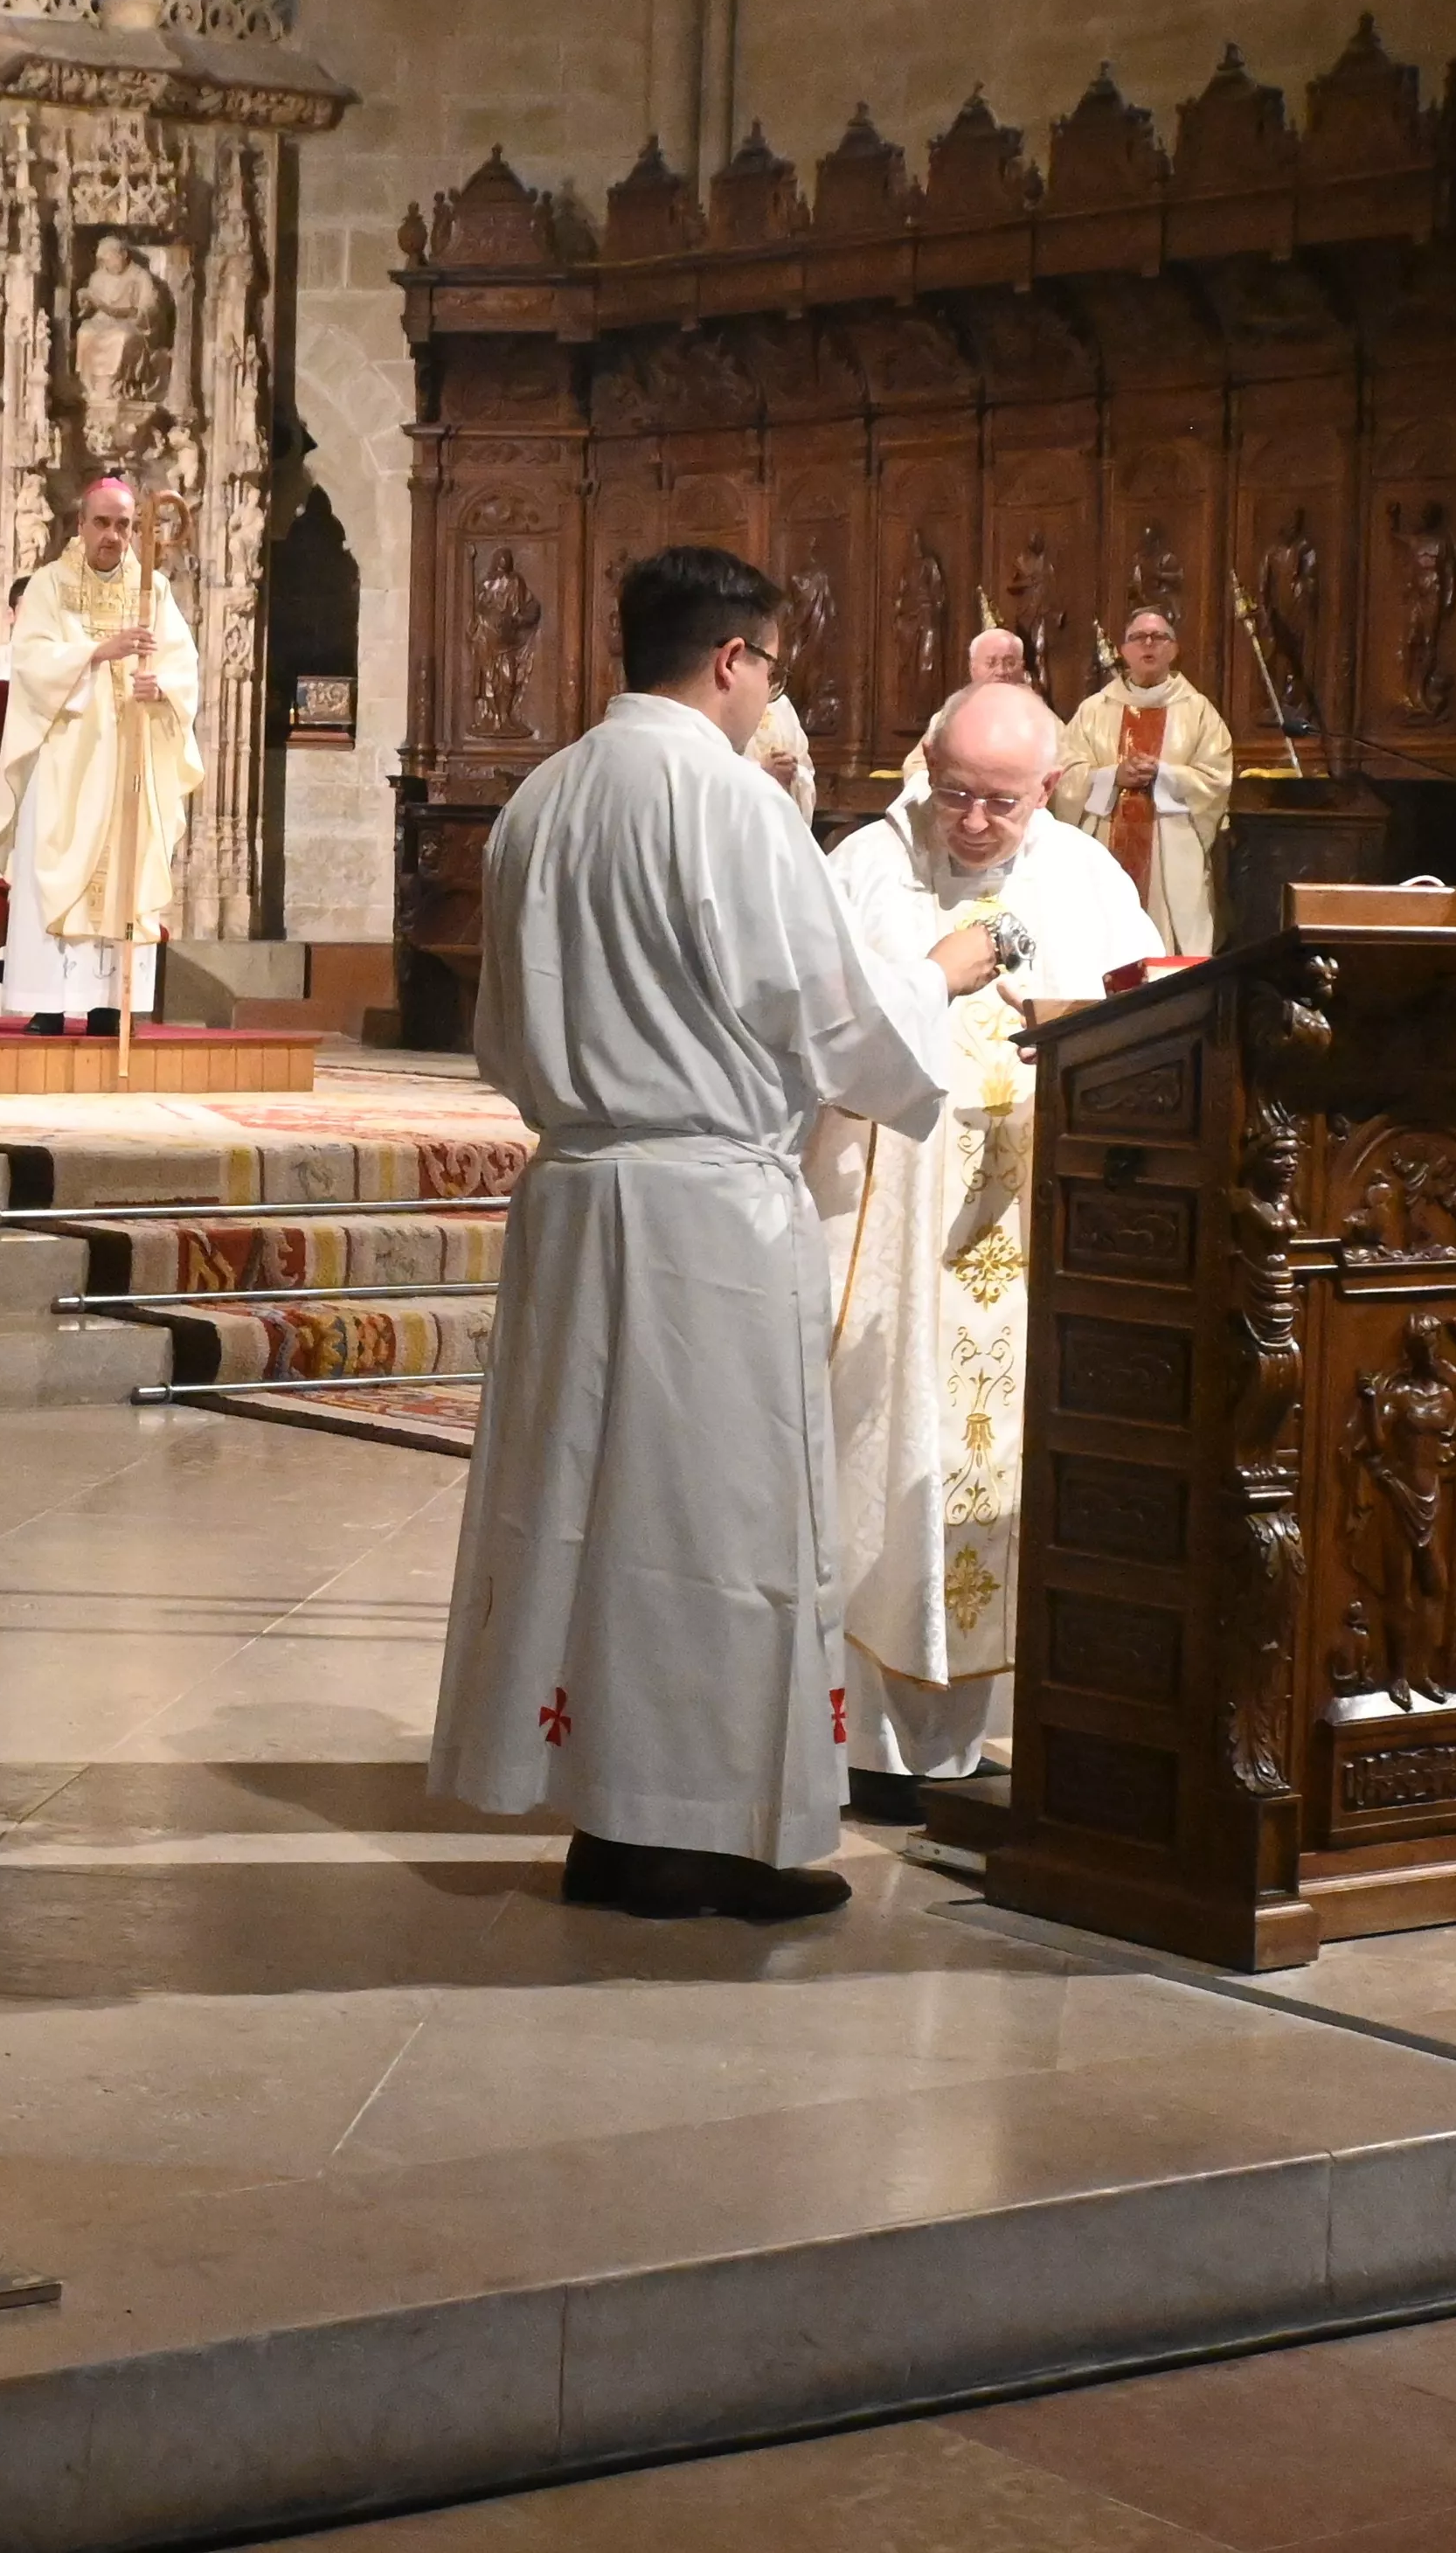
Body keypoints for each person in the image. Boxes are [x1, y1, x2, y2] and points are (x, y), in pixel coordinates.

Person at [430, 545, 984, 1923]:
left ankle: (615, 1819)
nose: (767, 699)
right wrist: (944, 975)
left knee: (593, 1518)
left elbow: (499, 1028)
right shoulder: (728, 806)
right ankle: (696, 1835)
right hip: (704, 1218)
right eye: (772, 670)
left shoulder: (539, 801)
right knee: (710, 1525)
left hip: (573, 1197)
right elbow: (835, 1018)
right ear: (732, 659)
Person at [808, 685, 1161, 1822]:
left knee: (1001, 1469)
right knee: (879, 1454)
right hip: (887, 1233)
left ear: (1048, 789)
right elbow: (805, 1032)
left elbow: (1149, 1024)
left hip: (1026, 1233)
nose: (972, 822)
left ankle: (971, 1739)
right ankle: (858, 1737)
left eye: (1001, 803)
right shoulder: (863, 868)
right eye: (954, 792)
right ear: (924, 764)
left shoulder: (1088, 881)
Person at [0, 477, 198, 1035]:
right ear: (80, 525)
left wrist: (164, 692)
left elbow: (184, 668)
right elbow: (30, 664)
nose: (113, 535)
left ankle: (113, 1003)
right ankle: (49, 1004)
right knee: (52, 867)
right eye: (102, 523)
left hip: (129, 760)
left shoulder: (151, 590)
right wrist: (97, 653)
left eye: (124, 525)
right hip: (65, 762)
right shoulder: (47, 587)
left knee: (125, 873)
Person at [1057, 607, 1234, 956]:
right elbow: (1065, 773)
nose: (1148, 644)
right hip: (1107, 842)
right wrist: (1111, 777)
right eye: (1138, 637)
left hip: (1170, 850)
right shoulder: (1093, 710)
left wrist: (1164, 774)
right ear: (1124, 651)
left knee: (1165, 948)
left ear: (1173, 649)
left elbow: (1216, 777)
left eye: (1158, 637)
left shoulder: (1198, 710)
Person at [891, 628, 1037, 806]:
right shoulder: (952, 714)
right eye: (991, 663)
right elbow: (916, 766)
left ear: (1022, 667)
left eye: (1010, 662)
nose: (1001, 671)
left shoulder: (1038, 716)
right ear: (973, 668)